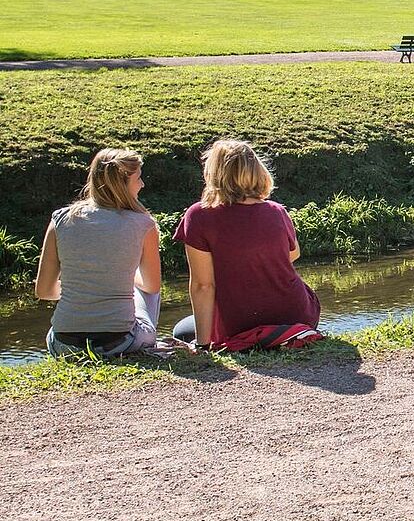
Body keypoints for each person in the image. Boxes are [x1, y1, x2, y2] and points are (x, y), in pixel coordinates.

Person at [172, 139, 319, 348]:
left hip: (239, 322)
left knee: (181, 331)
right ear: (257, 170)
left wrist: (203, 345)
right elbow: (292, 255)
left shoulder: (199, 215)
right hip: (297, 314)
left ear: (213, 173)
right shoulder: (276, 211)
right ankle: (287, 334)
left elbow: (203, 285)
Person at [35, 147, 162, 358]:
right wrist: (124, 279)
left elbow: (44, 291)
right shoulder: (144, 224)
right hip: (119, 343)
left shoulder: (61, 220)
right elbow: (152, 285)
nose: (142, 184)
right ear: (122, 184)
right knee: (147, 290)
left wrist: (83, 292)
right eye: (138, 178)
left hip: (63, 345)